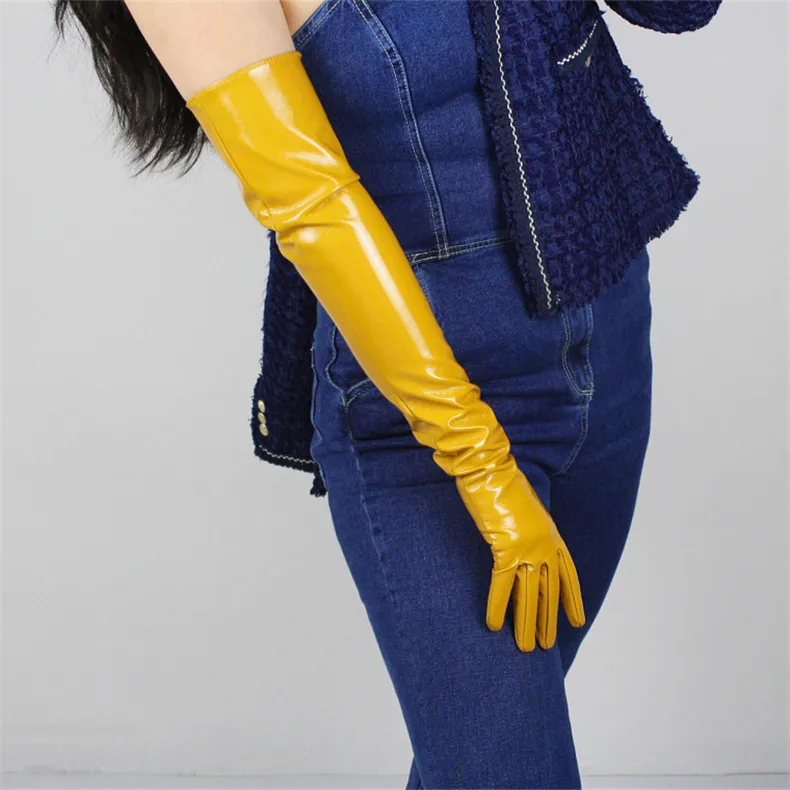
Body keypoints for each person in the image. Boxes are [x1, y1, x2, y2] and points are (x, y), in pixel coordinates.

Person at [51, 0, 721, 786]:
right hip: (422, 424)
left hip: (604, 338)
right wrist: (479, 460)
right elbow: (309, 201)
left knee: (489, 759)